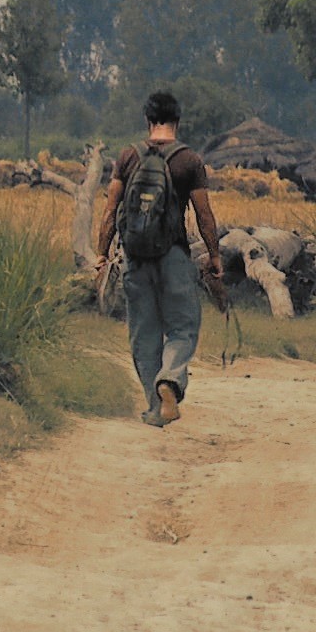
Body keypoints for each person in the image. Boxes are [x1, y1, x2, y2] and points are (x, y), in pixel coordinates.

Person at [94, 91, 226, 427]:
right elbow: (204, 215)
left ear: (148, 120)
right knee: (183, 327)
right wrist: (214, 256)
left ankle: (155, 408)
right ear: (177, 122)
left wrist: (102, 253)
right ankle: (169, 380)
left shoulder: (127, 157)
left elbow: (111, 211)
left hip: (135, 258)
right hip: (174, 257)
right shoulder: (188, 161)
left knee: (144, 334)